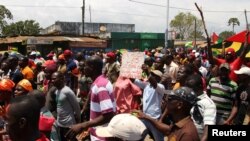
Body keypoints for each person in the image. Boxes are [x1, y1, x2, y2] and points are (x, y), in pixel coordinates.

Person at [66, 55, 116, 141]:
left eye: (85, 66)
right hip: (98, 131)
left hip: (102, 135)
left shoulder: (100, 86)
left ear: (92, 68)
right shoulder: (98, 82)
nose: (83, 68)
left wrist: (83, 125)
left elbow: (108, 114)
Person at [132, 70, 165, 141]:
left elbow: (154, 83)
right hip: (144, 117)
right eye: (151, 74)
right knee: (138, 137)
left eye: (154, 75)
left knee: (159, 139)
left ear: (158, 79)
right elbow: (134, 80)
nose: (151, 76)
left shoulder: (161, 87)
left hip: (154, 119)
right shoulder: (146, 85)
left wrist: (147, 71)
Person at [51, 71, 81, 141]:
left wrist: (79, 121)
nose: (52, 81)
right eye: (51, 79)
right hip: (60, 123)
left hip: (69, 124)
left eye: (54, 79)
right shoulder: (57, 91)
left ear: (61, 79)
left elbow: (76, 107)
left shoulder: (67, 91)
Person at [186, 74, 216, 141]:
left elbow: (207, 131)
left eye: (191, 88)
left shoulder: (208, 104)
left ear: (199, 86)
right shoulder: (189, 98)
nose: (188, 90)